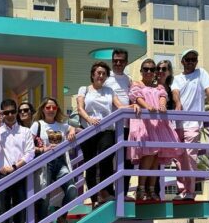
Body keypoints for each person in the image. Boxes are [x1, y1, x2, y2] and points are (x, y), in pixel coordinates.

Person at [76, 61, 139, 207]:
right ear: (93, 74)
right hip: (88, 130)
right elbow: (80, 108)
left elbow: (120, 107)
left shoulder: (109, 90)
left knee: (106, 157)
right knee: (90, 164)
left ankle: (106, 192)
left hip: (106, 129)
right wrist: (89, 119)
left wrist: (134, 105)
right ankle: (94, 198)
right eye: (98, 73)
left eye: (104, 74)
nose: (101, 76)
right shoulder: (84, 89)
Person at [128, 59, 182, 201]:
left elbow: (163, 97)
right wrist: (147, 106)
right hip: (144, 123)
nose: (149, 72)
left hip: (158, 124)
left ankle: (151, 189)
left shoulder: (159, 87)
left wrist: (162, 105)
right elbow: (137, 97)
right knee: (148, 154)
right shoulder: (136, 84)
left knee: (156, 157)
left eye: (152, 69)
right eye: (146, 69)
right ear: (141, 71)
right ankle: (141, 188)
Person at [172, 49, 209, 200]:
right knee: (178, 158)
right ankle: (182, 190)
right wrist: (178, 104)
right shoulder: (177, 78)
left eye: (193, 59)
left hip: (193, 123)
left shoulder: (201, 73)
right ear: (182, 61)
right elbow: (175, 93)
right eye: (188, 59)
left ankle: (190, 191)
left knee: (190, 156)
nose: (191, 62)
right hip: (178, 123)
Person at [30, 97, 77, 223]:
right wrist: (42, 149)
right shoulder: (37, 125)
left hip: (60, 162)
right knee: (44, 198)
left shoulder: (61, 125)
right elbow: (28, 146)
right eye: (48, 107)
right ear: (43, 109)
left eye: (54, 107)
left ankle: (62, 217)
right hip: (45, 164)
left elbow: (72, 128)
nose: (51, 110)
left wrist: (72, 131)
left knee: (72, 189)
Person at [105, 49, 137, 197]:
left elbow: (134, 97)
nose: (118, 63)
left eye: (121, 61)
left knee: (127, 160)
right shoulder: (106, 78)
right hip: (110, 126)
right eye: (115, 60)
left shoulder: (129, 80)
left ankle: (122, 192)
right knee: (107, 159)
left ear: (126, 62)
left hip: (126, 126)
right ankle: (108, 192)